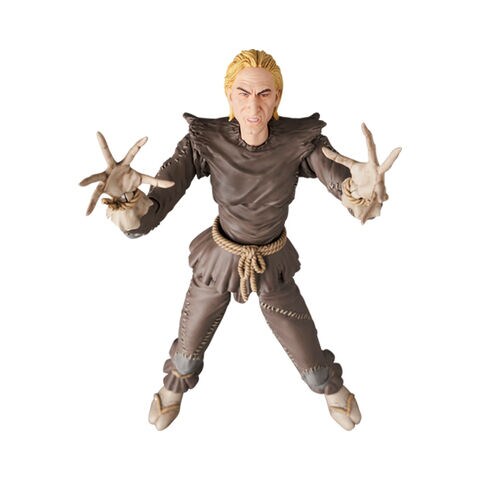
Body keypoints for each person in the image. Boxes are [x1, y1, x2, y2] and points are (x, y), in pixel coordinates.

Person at [80, 49, 400, 431]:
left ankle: (329, 388)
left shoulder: (301, 141)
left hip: (272, 261)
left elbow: (340, 182)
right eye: (243, 93)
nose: (253, 105)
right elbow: (150, 214)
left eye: (264, 93)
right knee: (188, 347)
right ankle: (172, 389)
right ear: (229, 95)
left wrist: (360, 189)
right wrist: (127, 198)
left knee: (307, 354)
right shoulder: (204, 141)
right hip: (219, 259)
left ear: (278, 97)